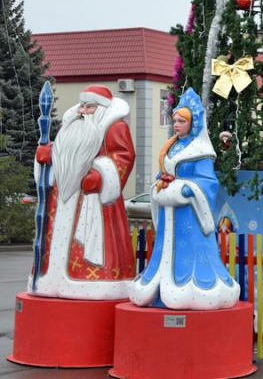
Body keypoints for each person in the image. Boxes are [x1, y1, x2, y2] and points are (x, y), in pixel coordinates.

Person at [129, 88, 239, 310]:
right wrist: (158, 186)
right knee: (164, 251)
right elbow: (162, 174)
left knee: (190, 250)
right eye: (175, 120)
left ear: (192, 123)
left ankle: (195, 286)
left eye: (182, 121)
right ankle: (160, 290)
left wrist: (188, 189)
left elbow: (209, 182)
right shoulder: (171, 147)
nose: (176, 125)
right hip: (169, 214)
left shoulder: (201, 150)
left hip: (190, 215)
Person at [30, 85, 136, 300]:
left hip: (93, 198)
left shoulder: (114, 127)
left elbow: (124, 156)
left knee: (93, 238)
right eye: (82, 105)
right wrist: (46, 157)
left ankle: (94, 282)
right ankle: (50, 279)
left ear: (101, 109)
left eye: (90, 106)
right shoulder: (70, 125)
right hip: (62, 199)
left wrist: (101, 175)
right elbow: (63, 153)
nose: (83, 111)